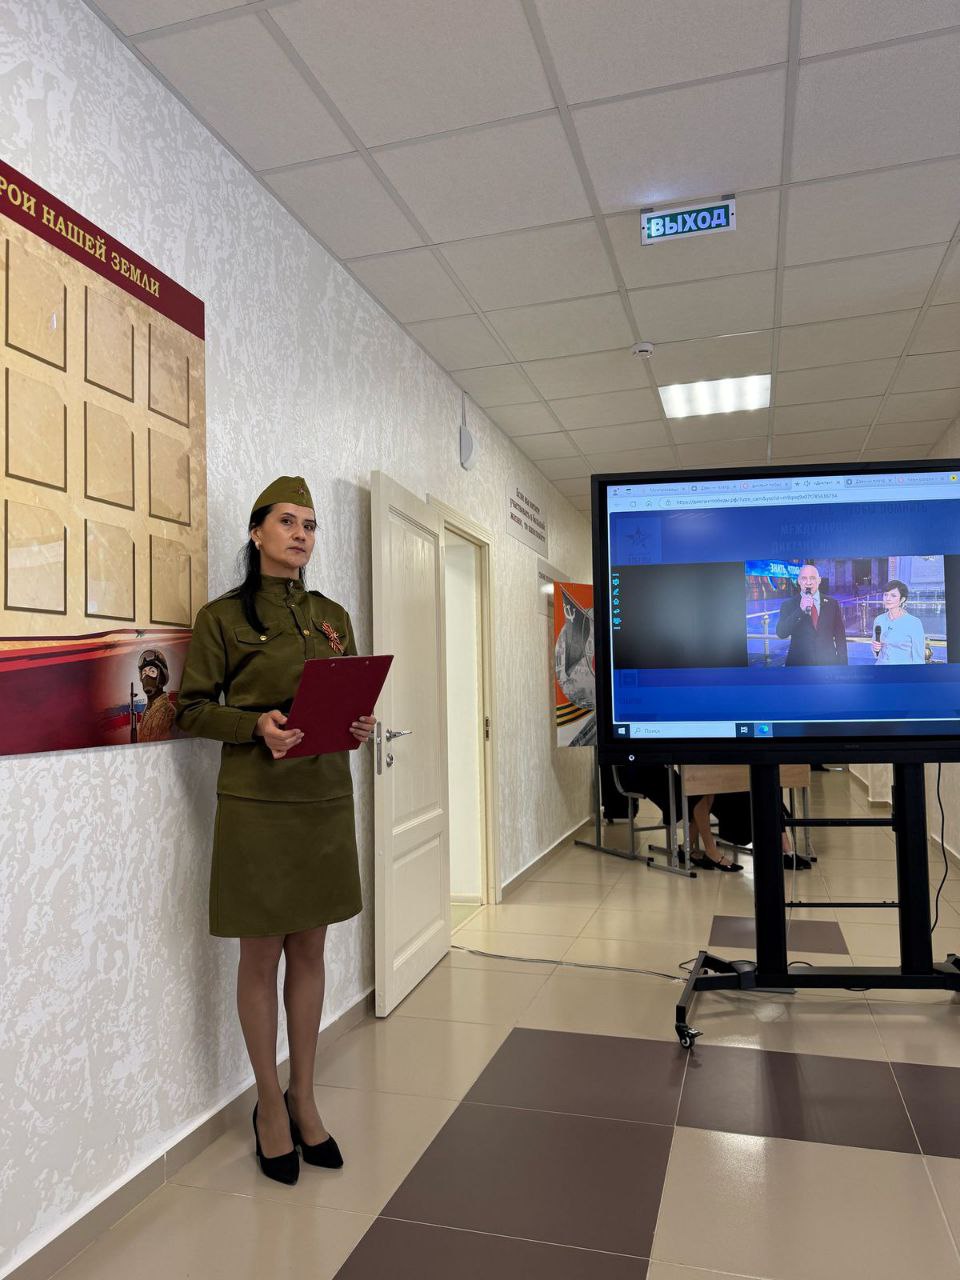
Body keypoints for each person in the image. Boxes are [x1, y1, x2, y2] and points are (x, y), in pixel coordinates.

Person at [175, 476, 375, 1187]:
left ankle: (304, 1096)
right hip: (257, 802)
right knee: (260, 956)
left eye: (310, 525)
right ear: (257, 532)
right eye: (288, 522)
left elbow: (346, 695)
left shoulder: (332, 616)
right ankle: (268, 1104)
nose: (301, 535)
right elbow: (190, 709)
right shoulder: (222, 617)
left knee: (311, 949)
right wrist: (253, 724)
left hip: (322, 797)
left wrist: (358, 723)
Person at [775, 563, 848, 666]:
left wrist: (843, 664)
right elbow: (781, 633)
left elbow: (840, 637)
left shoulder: (832, 604)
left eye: (812, 578)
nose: (808, 582)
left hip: (828, 665)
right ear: (799, 581)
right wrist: (800, 610)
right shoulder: (788, 605)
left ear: (819, 580)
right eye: (804, 578)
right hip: (799, 666)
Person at [871, 580, 925, 665]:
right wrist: (875, 649)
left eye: (893, 595)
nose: (888, 599)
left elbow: (918, 658)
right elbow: (876, 653)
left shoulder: (914, 623)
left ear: (902, 599)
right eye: (886, 594)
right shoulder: (879, 620)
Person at [137, 648, 176, 741]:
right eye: (144, 672)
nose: (147, 676)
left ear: (161, 677)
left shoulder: (169, 712)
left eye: (152, 671)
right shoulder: (147, 710)